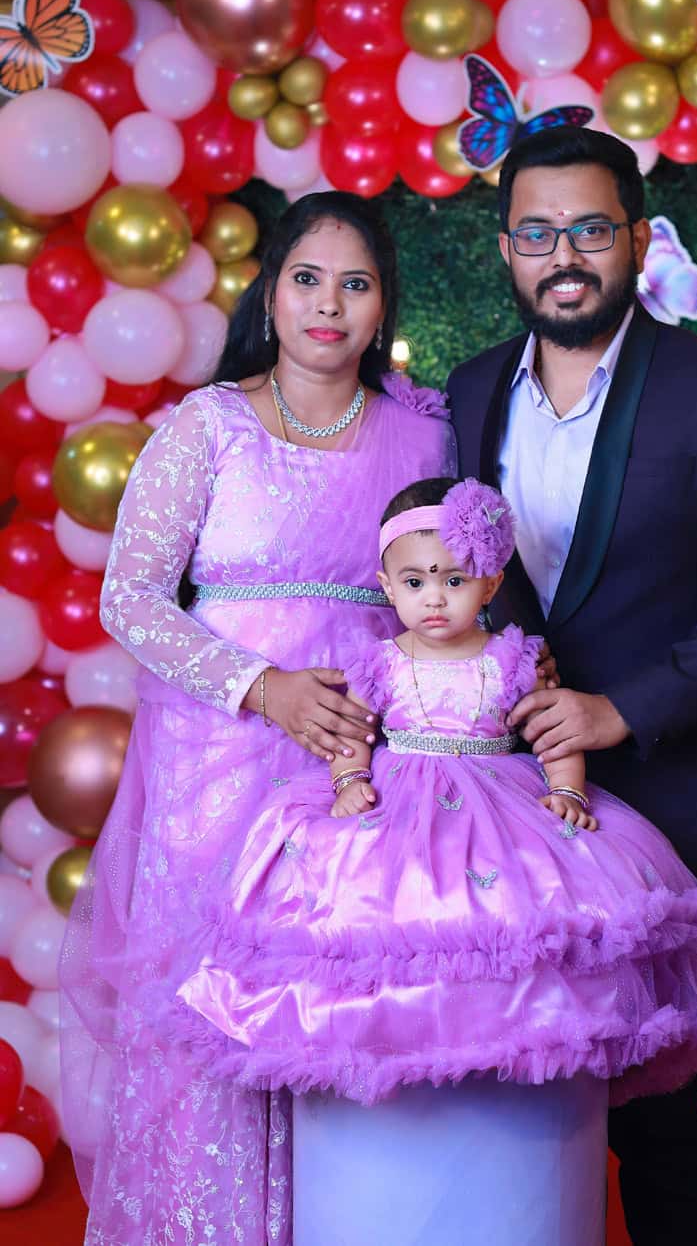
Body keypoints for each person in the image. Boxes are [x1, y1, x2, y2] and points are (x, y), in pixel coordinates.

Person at [171, 475, 697, 1246]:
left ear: (490, 581)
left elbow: (550, 732)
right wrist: (351, 780)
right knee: (385, 926)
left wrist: (564, 789)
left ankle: (507, 1107)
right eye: (416, 582)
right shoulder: (381, 662)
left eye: (455, 581)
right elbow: (355, 735)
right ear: (386, 584)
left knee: (521, 928)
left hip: (503, 801)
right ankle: (402, 1093)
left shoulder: (515, 658)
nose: (435, 600)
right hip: (401, 802)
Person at [58, 191, 456, 1245]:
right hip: (218, 764)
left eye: (356, 283)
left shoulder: (422, 432)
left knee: (339, 1008)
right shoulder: (207, 427)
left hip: (362, 766)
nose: (330, 304)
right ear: (270, 294)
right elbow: (129, 596)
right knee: (206, 1023)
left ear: (382, 308)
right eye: (308, 279)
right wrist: (261, 685)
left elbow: (452, 584)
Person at [446, 126, 697, 1246]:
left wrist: (619, 708)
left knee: (655, 1119)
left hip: (663, 803)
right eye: (538, 232)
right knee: (499, 1099)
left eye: (591, 229)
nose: (565, 254)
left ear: (636, 241)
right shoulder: (465, 393)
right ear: (507, 249)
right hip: (496, 813)